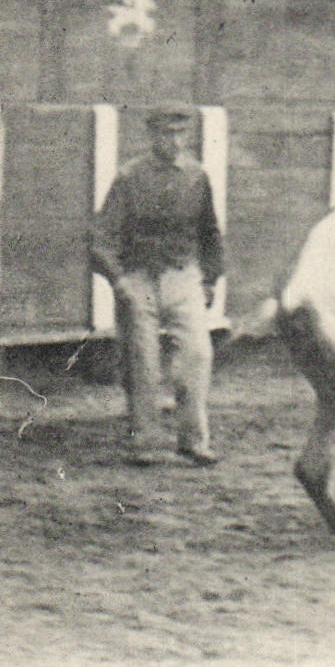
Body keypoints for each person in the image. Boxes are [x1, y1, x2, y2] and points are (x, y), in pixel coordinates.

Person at [90, 105, 223, 467]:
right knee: (142, 363)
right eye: (167, 134)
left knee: (198, 355)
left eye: (181, 134)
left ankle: (194, 440)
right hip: (140, 277)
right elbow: (101, 239)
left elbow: (210, 233)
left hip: (183, 275)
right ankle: (145, 440)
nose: (175, 142)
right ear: (152, 136)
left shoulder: (197, 176)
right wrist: (120, 281)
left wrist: (209, 279)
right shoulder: (129, 178)